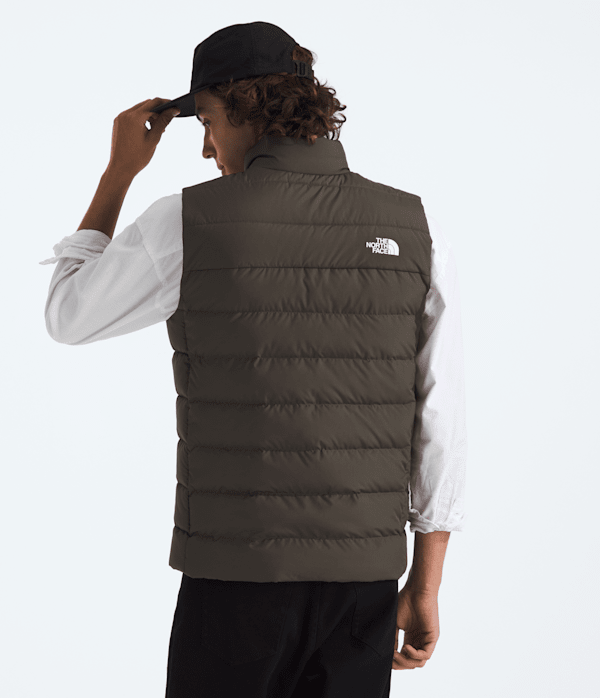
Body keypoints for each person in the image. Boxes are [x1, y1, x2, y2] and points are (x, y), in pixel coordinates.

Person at [39, 21, 467, 698]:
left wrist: (118, 173)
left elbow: (69, 315)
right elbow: (442, 414)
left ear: (245, 106)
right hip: (365, 587)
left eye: (207, 120)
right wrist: (426, 580)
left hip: (236, 582)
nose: (206, 148)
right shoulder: (415, 224)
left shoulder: (188, 220)